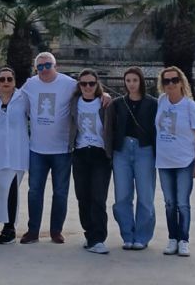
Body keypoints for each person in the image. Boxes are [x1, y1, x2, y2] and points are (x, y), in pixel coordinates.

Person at [19, 52, 77, 245]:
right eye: (40, 67)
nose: (44, 70)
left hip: (62, 150)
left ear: (55, 65)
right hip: (37, 149)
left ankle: (56, 231)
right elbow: (17, 103)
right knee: (34, 190)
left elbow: (89, 93)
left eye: (47, 65)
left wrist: (104, 94)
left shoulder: (69, 84)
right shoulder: (30, 85)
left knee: (60, 192)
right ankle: (33, 230)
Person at [106, 66, 157, 250]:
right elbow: (109, 127)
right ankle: (127, 235)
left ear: (141, 81)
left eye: (135, 80)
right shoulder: (118, 103)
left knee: (145, 196)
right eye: (128, 81)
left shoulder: (153, 103)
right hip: (122, 151)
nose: (131, 84)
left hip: (145, 150)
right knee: (122, 196)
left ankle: (142, 237)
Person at [156, 66, 195, 258]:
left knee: (182, 203)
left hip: (184, 161)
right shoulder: (161, 101)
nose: (170, 84)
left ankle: (184, 240)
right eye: (166, 81)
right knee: (169, 203)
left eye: (174, 80)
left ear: (181, 82)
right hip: (164, 161)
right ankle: (172, 238)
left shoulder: (191, 107)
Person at [0, 66, 30, 245]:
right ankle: (1, 224)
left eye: (9, 79)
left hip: (16, 154)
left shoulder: (24, 99)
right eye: (2, 79)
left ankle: (9, 228)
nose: (6, 83)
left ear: (15, 81)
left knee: (11, 191)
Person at [69, 69, 111, 255]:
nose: (87, 87)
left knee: (98, 197)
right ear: (79, 85)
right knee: (82, 197)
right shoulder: (73, 103)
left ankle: (99, 238)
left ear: (97, 84)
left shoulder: (105, 103)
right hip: (80, 153)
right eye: (83, 83)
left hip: (100, 154)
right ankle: (90, 234)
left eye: (91, 83)